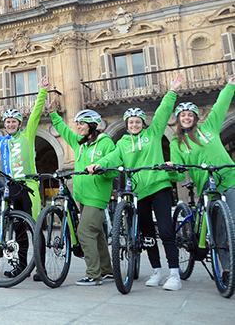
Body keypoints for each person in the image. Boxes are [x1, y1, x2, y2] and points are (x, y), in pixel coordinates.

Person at [88, 73, 184, 291]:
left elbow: (161, 113)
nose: (134, 124)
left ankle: (175, 274)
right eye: (131, 122)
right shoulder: (122, 142)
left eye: (137, 122)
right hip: (139, 192)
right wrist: (98, 165)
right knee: (147, 233)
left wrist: (172, 91)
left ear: (143, 123)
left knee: (166, 231)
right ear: (127, 124)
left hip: (159, 186)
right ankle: (157, 271)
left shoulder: (153, 133)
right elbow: (112, 157)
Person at [0, 75, 49, 280]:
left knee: (34, 227)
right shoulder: (2, 142)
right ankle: (22, 267)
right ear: (5, 124)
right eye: (7, 122)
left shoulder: (27, 135)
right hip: (11, 188)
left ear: (19, 123)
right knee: (18, 231)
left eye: (14, 121)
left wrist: (42, 91)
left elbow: (35, 114)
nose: (11, 124)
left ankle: (41, 268)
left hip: (29, 187)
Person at [47, 99, 116, 286]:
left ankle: (94, 274)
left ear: (92, 126)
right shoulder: (80, 144)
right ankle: (107, 270)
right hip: (83, 196)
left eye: (82, 124)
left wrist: (101, 164)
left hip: (97, 196)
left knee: (84, 232)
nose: (78, 127)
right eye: (77, 124)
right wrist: (53, 112)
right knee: (96, 234)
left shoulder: (105, 142)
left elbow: (114, 158)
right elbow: (63, 130)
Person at [169, 76, 235, 216]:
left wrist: (230, 86)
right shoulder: (177, 143)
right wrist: (171, 169)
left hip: (229, 177)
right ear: (179, 119)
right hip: (207, 185)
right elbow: (179, 175)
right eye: (183, 115)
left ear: (195, 118)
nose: (187, 118)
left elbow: (220, 107)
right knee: (217, 227)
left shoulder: (209, 127)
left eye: (190, 115)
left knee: (233, 219)